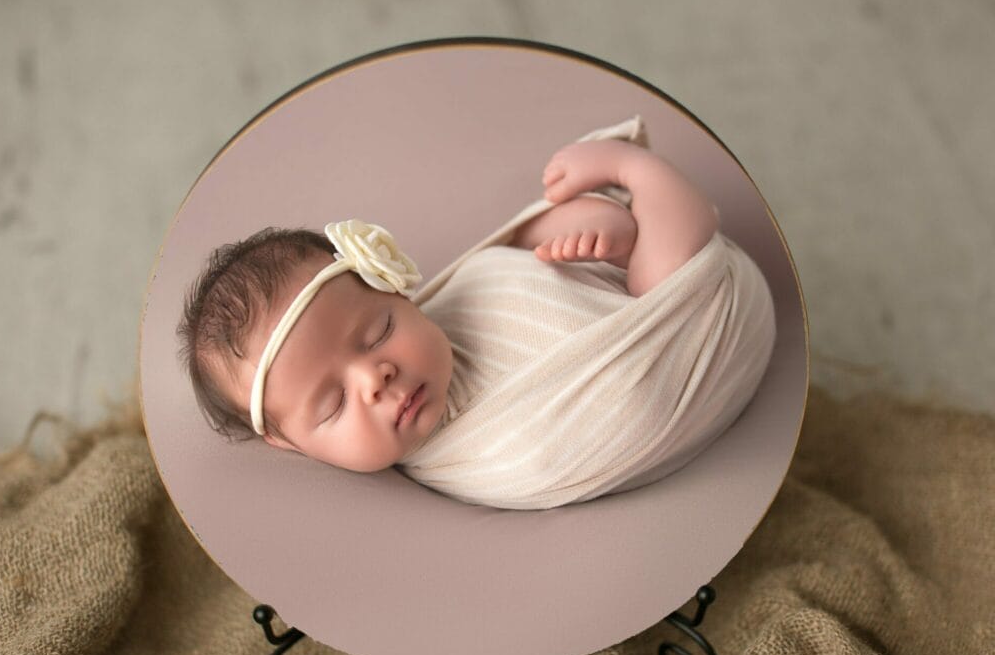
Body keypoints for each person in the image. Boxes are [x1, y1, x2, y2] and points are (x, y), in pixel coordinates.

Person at [178, 117, 775, 509]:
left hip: (603, 299)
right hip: (690, 336)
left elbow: (500, 266)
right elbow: (591, 428)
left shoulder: (452, 301)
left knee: (522, 252)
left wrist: (560, 242)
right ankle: (636, 173)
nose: (375, 378)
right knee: (664, 277)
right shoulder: (477, 454)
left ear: (397, 291)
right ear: (292, 443)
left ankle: (615, 236)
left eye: (379, 330)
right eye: (333, 405)